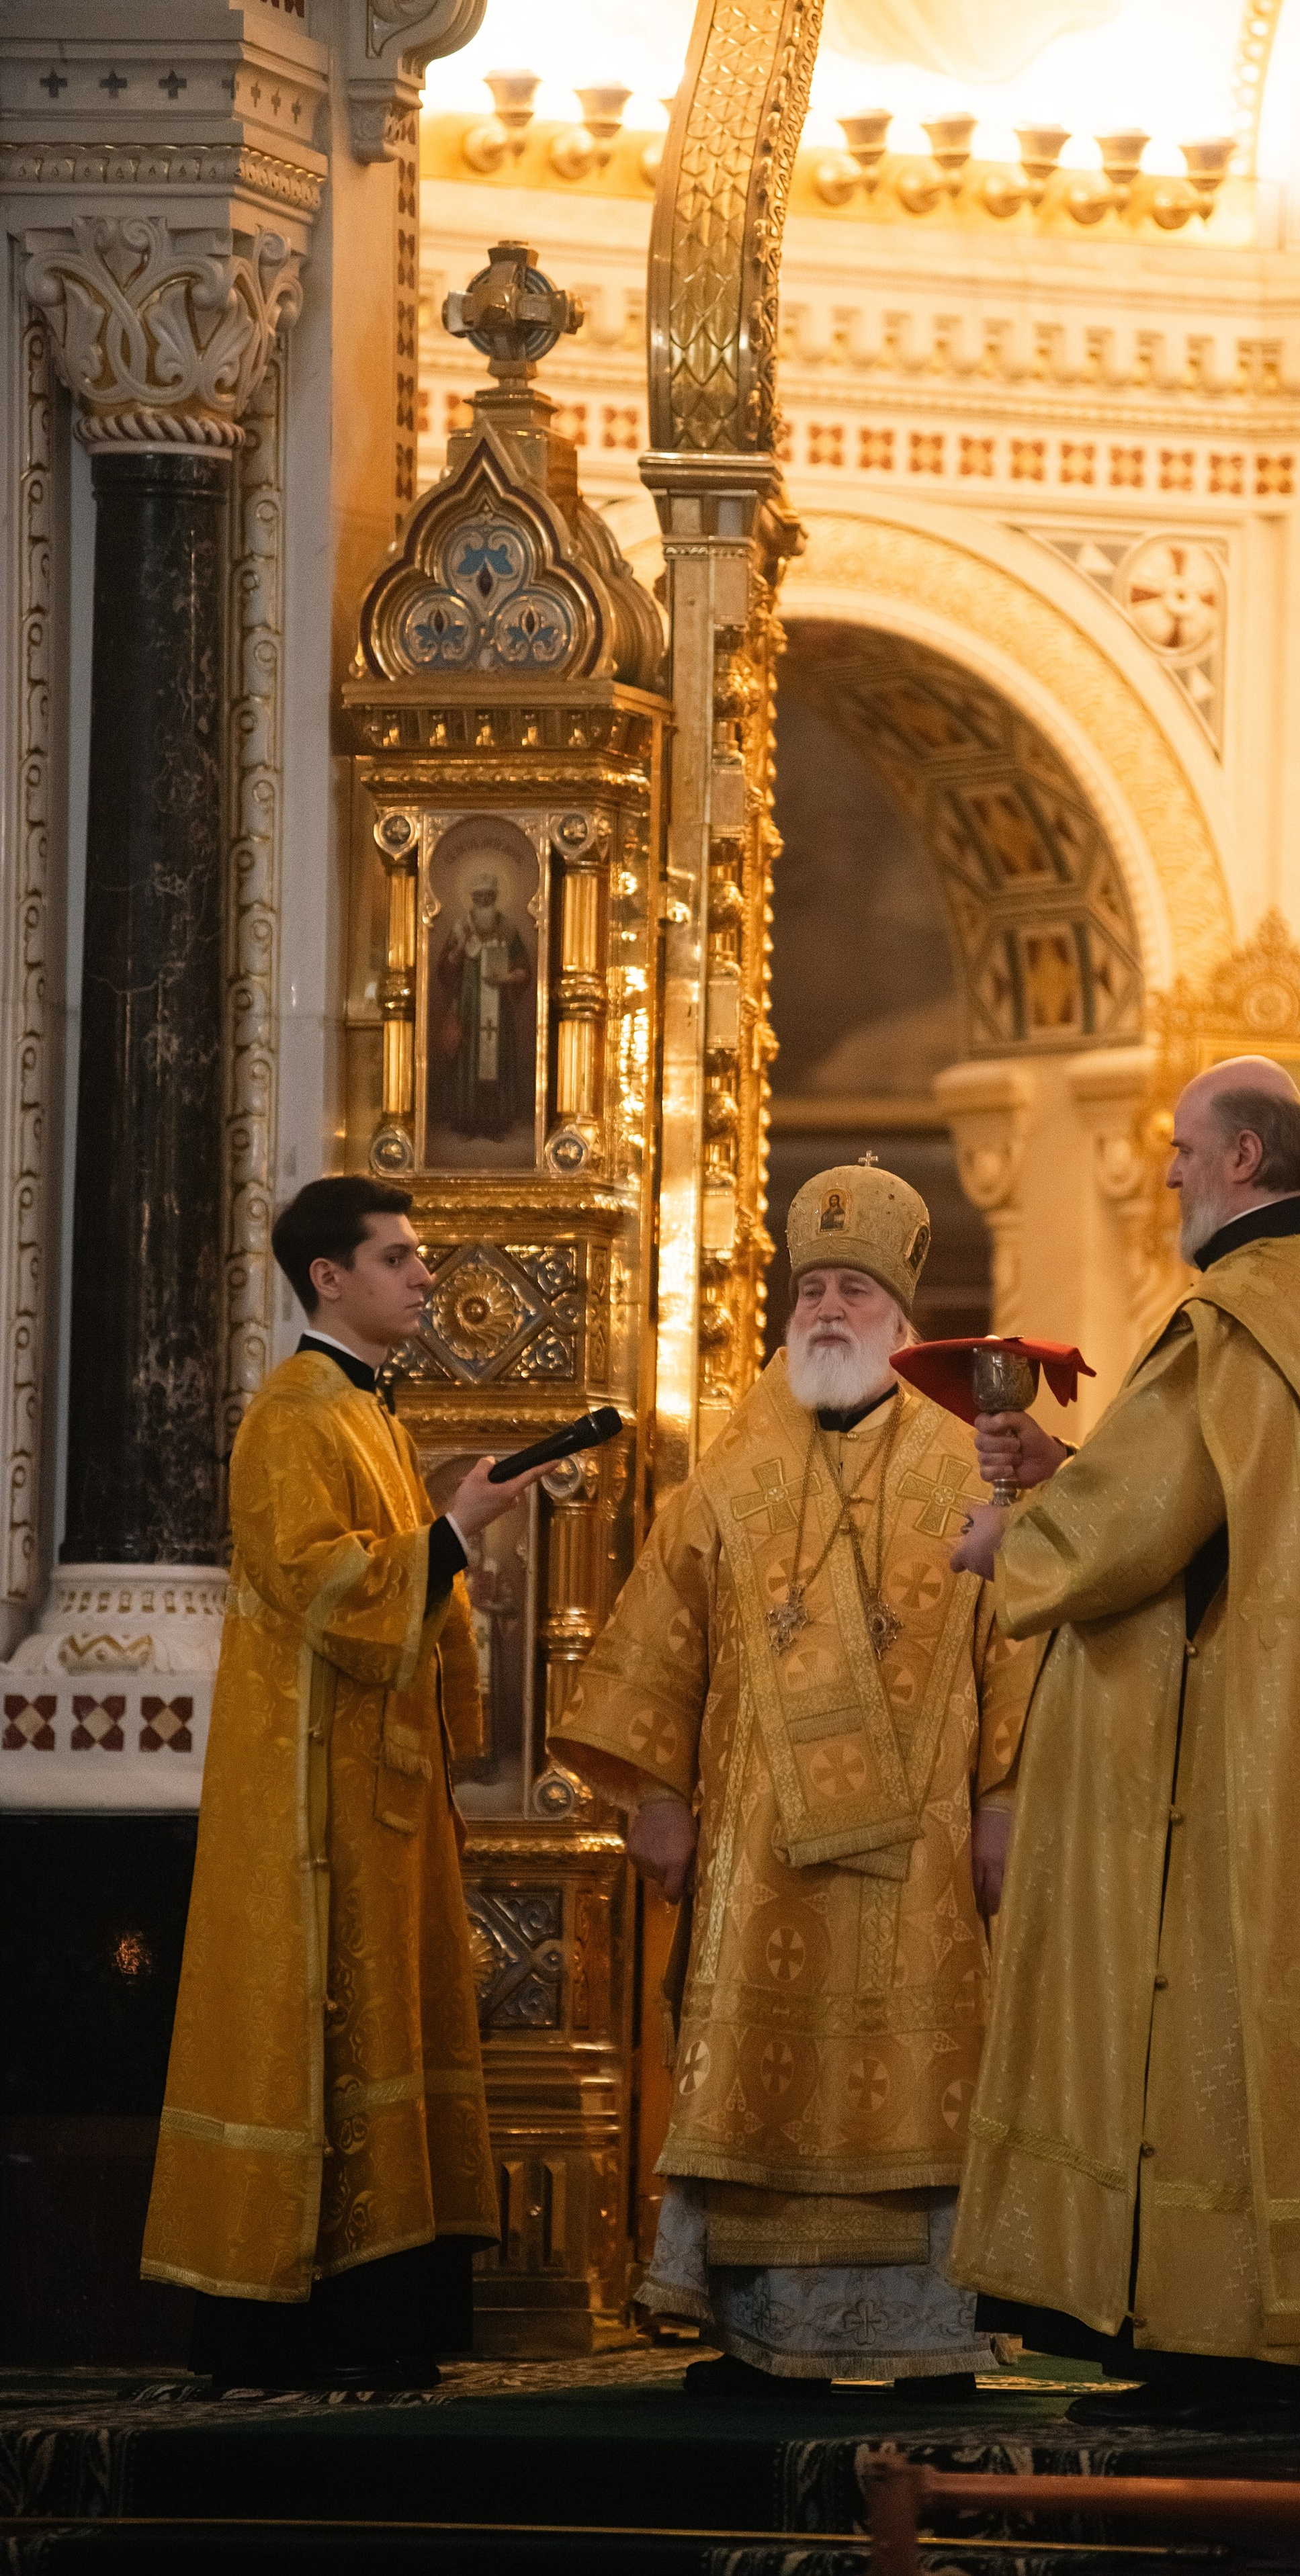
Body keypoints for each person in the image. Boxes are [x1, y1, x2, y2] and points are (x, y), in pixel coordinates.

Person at [947, 1057, 1300, 2435]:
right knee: (1233, 2016)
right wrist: (1065, 1470)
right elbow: (1193, 1480)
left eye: (1179, 1148)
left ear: (1240, 1161)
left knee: (1195, 2006)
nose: (1161, 1171)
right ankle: (1214, 2338)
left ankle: (1215, 2348)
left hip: (1213, 1748)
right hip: (1270, 1720)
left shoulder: (1230, 1312)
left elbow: (1142, 1523)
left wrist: (1013, 1538)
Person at [548, 1163, 1039, 2400]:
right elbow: (664, 1637)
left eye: (854, 1290)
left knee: (923, 2083)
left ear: (901, 1316)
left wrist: (1004, 1802)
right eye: (811, 1287)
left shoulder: (963, 1465)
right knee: (758, 2081)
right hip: (757, 1855)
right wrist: (656, 1795)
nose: (828, 1309)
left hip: (920, 1861)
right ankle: (765, 2338)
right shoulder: (728, 1472)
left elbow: (1018, 1649)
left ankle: (933, 2338)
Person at [140, 1176, 556, 2391]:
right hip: (312, 1809)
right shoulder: (292, 1416)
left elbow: (394, 1585)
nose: (426, 1275)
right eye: (400, 1257)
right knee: (324, 2031)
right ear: (330, 1277)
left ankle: (387, 2319)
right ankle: (303, 2323)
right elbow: (324, 1585)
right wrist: (454, 1534)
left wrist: (449, 1539)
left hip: (381, 1795)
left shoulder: (370, 1412)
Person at [433, 870, 532, 1141]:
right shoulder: (460, 928)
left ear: (495, 897)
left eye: (489, 896)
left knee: (497, 1054)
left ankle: (497, 1121)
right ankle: (465, 1118)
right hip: (467, 1003)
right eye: (479, 897)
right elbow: (444, 969)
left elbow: (523, 967)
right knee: (467, 1054)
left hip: (498, 1004)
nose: (484, 900)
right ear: (473, 899)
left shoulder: (509, 929)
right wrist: (459, 950)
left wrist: (509, 977)